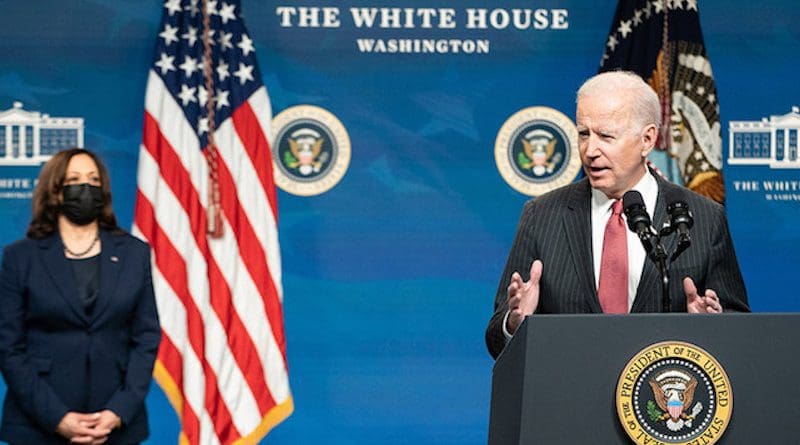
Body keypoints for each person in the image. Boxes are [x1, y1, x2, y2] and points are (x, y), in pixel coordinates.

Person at [486, 71, 749, 359]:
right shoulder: (542, 215)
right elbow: (497, 339)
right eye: (584, 134)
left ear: (647, 140)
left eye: (606, 136)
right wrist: (516, 322)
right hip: (567, 395)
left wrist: (714, 326)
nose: (590, 150)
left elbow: (739, 333)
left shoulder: (703, 218)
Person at [0, 148, 161, 444]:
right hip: (38, 426)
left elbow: (146, 338)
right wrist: (57, 418)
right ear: (56, 191)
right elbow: (9, 347)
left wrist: (119, 410)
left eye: (93, 180)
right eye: (74, 179)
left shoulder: (134, 254)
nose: (85, 187)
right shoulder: (19, 258)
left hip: (115, 425)